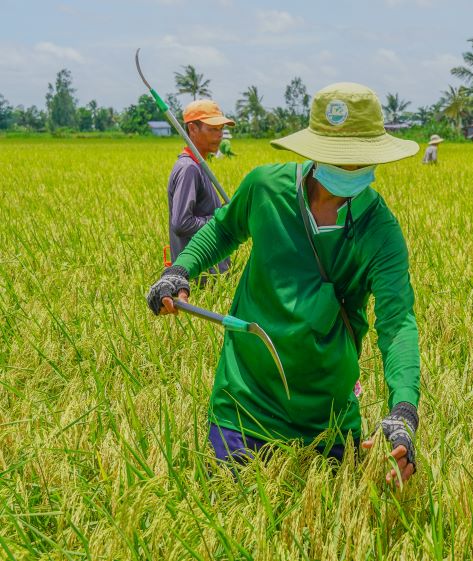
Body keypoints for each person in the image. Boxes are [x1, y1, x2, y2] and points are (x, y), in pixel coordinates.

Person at [146, 82, 421, 488]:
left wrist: (404, 408)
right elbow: (223, 230)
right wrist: (180, 270)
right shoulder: (265, 188)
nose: (346, 169)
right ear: (314, 153)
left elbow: (397, 322)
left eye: (356, 159)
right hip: (245, 401)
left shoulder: (380, 231)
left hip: (326, 412)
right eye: (336, 158)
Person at [167, 100, 233, 274]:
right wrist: (221, 219)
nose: (219, 135)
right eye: (212, 129)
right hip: (200, 277)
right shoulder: (189, 168)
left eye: (221, 129)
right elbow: (181, 223)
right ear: (192, 129)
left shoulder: (199, 165)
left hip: (211, 273)